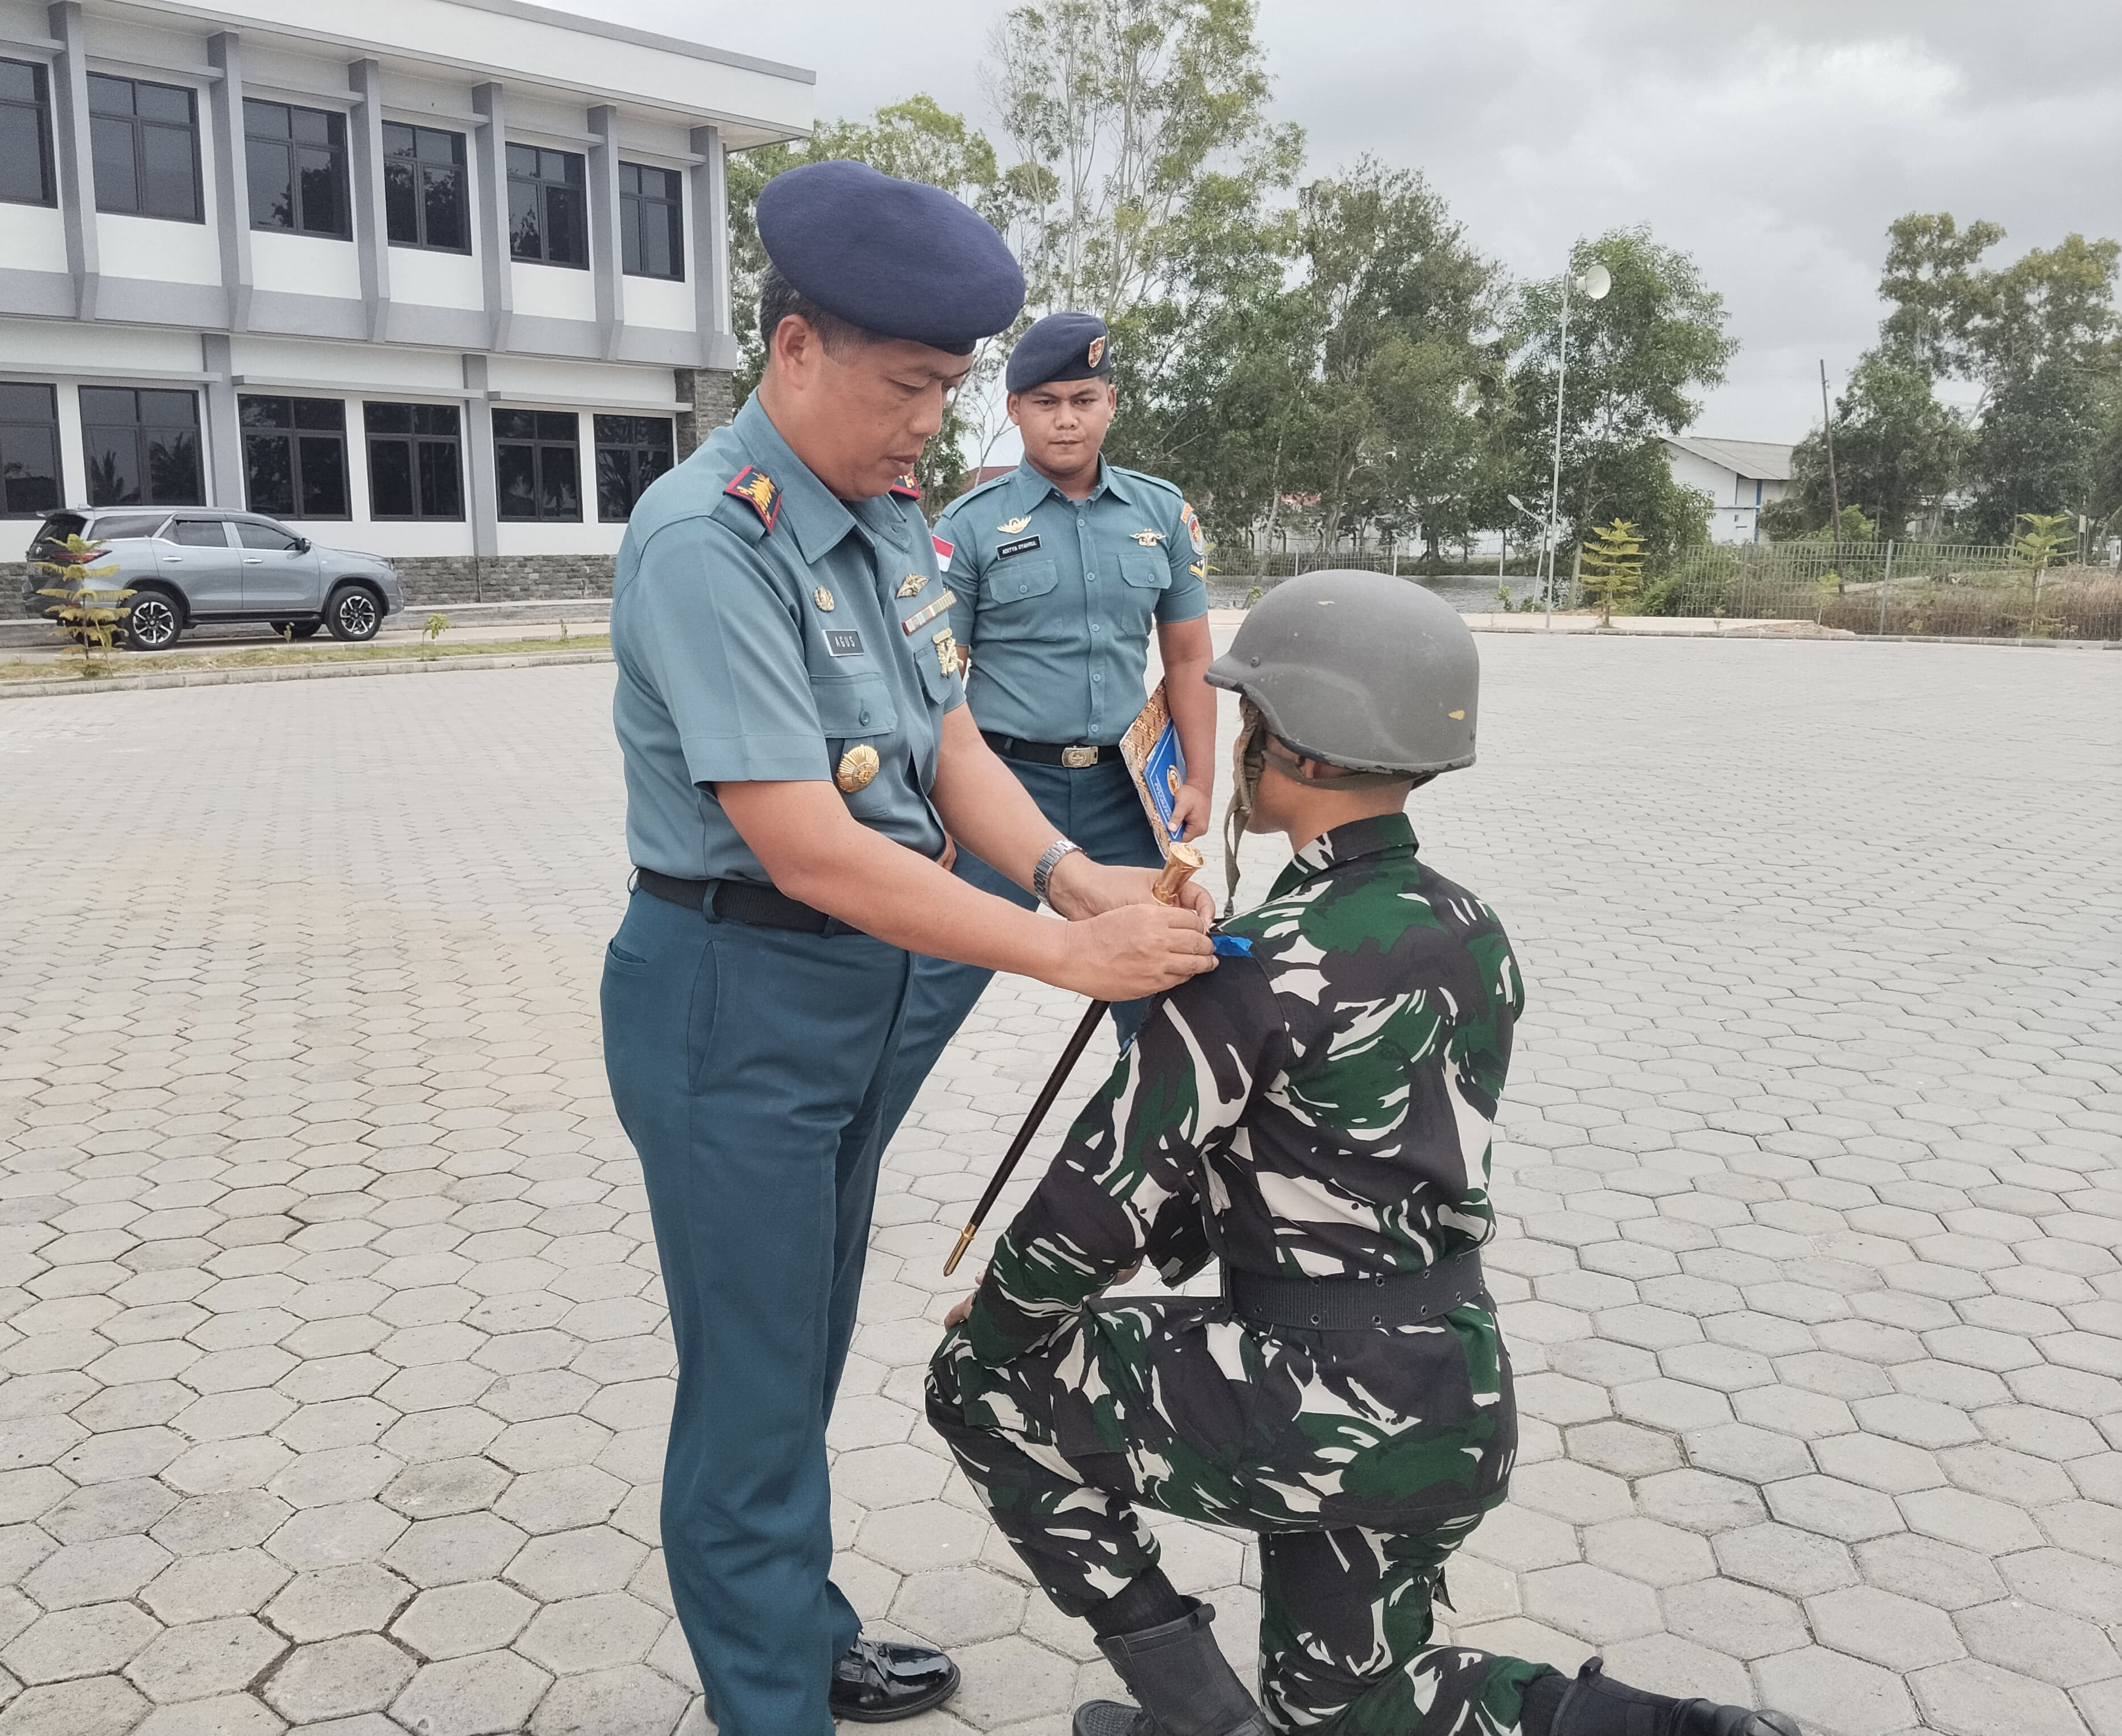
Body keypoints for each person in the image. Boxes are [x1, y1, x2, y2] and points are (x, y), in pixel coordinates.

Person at [926, 572, 1801, 1736]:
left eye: (1248, 716)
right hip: (1453, 1393)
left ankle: (1198, 1720)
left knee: (972, 1386)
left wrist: (1000, 1320)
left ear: (1287, 745)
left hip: (1305, 1394)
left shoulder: (1251, 964)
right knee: (1348, 1708)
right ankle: (1672, 1730)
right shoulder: (1472, 929)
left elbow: (1094, 1207)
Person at [600, 159, 1218, 1736]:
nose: (931, 424)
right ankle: (772, 1706)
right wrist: (1062, 958)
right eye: (908, 386)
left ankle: (796, 1636)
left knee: (798, 1349)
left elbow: (946, 743)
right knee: (750, 1394)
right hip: (735, 1000)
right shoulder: (711, 541)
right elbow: (808, 845)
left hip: (844, 996)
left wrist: (1076, 880)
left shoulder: (879, 519)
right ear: (796, 348)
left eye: (948, 388)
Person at [878, 311, 1217, 1131]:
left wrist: (1201, 778)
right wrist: (926, 810)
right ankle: (848, 1160)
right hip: (1001, 790)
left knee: (1168, 996)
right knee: (923, 992)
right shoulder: (968, 527)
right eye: (1046, 402)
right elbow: (933, 680)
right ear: (1015, 409)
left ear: (1112, 404)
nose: (1067, 419)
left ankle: (1165, 1170)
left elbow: (1187, 658)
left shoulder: (1162, 514)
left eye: (1084, 399)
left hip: (1122, 794)